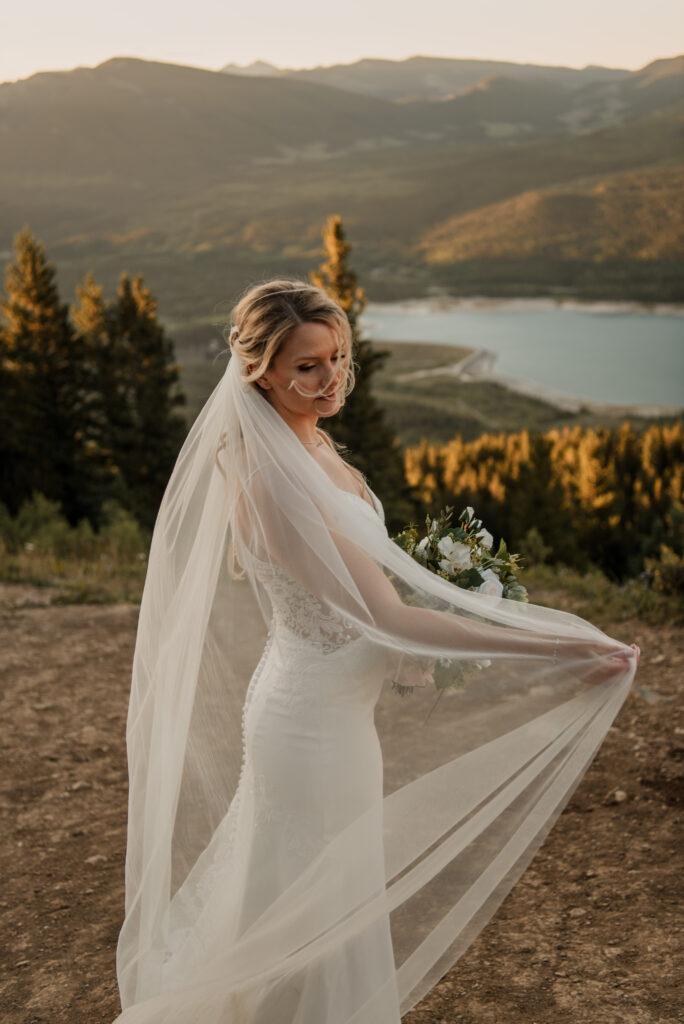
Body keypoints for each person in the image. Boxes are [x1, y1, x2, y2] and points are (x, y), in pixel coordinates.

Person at [113, 279, 639, 1024]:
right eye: (307, 367)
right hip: (309, 726)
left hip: (332, 713)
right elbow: (385, 613)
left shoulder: (310, 438)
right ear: (259, 371)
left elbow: (362, 598)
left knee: (315, 901)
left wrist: (427, 611)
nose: (331, 381)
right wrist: (550, 646)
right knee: (316, 909)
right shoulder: (266, 476)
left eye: (339, 358)